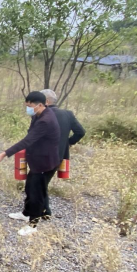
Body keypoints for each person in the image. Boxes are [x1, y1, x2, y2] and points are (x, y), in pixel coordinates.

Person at [0, 91, 60, 236]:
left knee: (37, 194)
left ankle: (33, 225)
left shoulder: (45, 121)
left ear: (40, 105)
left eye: (30, 106)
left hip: (45, 163)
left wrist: (5, 153)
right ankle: (26, 213)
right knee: (29, 187)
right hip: (37, 161)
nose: (28, 108)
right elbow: (31, 136)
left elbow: (28, 140)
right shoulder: (38, 115)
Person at [39, 89, 86, 217]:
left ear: (46, 101)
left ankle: (43, 211)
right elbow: (80, 132)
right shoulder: (68, 114)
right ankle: (44, 211)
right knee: (42, 182)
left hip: (43, 156)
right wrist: (68, 143)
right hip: (59, 156)